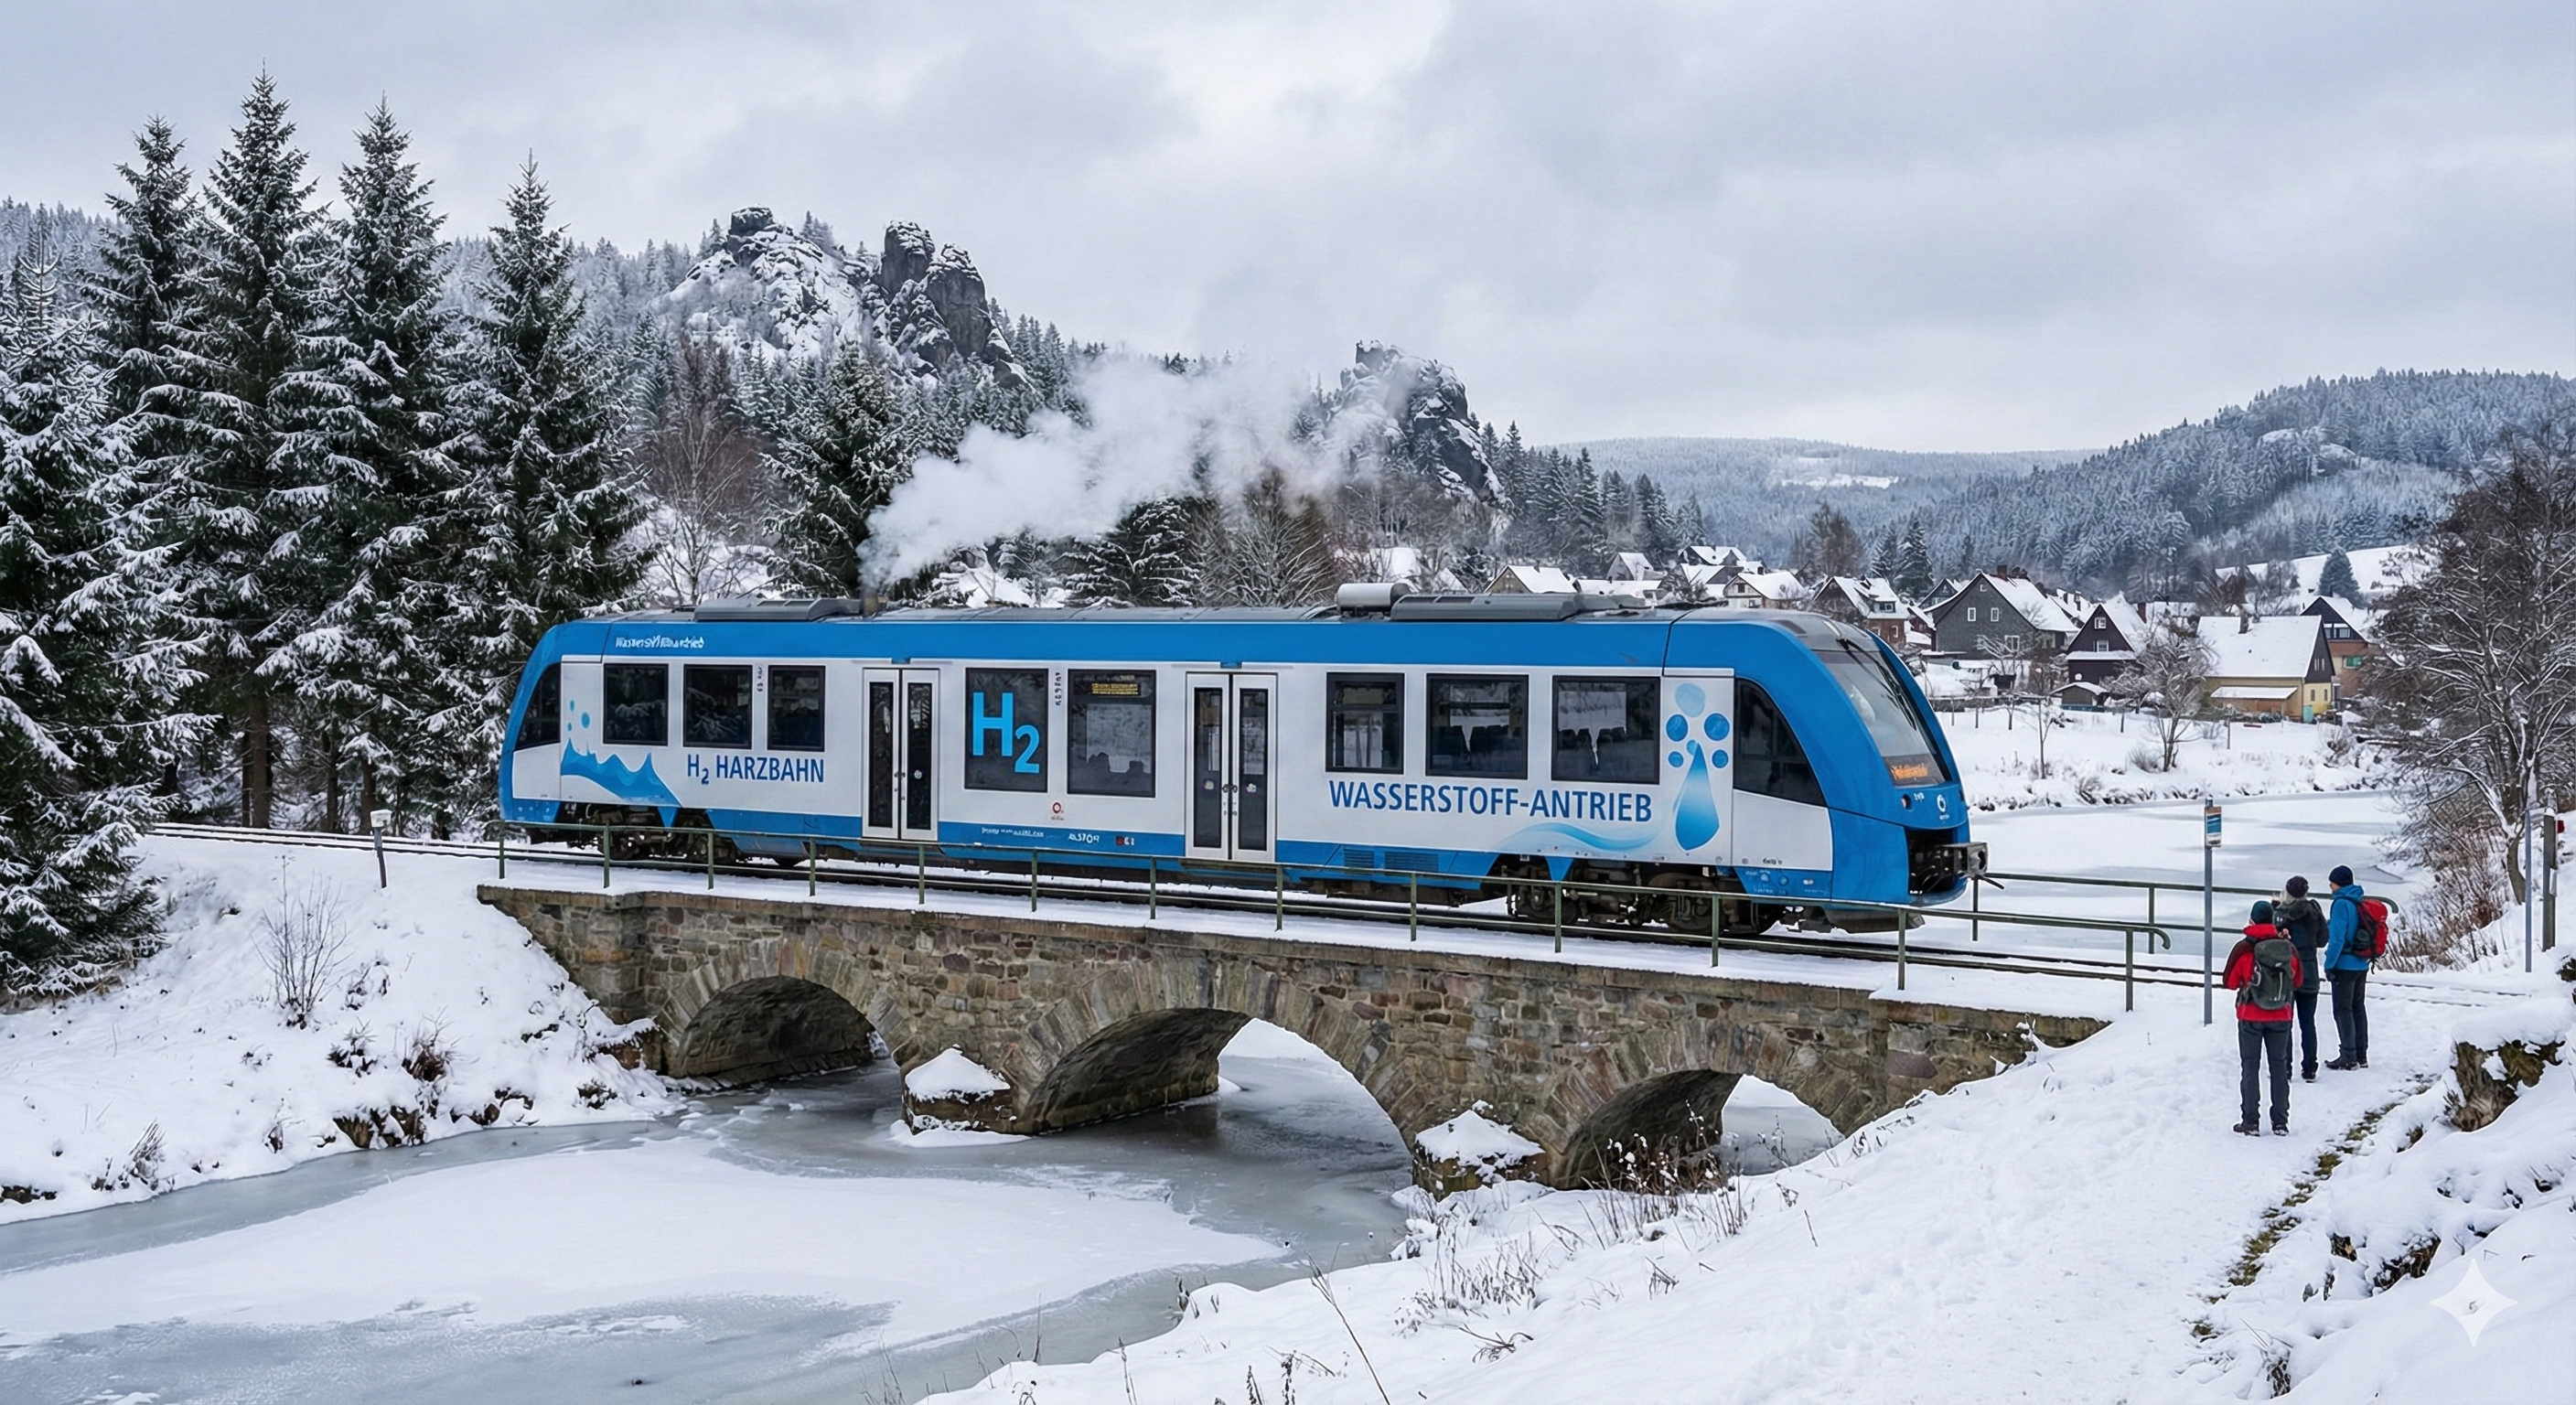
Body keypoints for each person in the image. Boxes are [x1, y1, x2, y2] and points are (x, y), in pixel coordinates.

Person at [2224, 900, 2302, 1135]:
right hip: (2281, 1016)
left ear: (2252, 920)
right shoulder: (2288, 948)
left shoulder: (2243, 948)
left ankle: (2250, 1121)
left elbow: (2228, 982)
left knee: (2250, 1066)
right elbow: (2298, 981)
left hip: (2250, 1016)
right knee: (2279, 1067)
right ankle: (2280, 1121)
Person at [2270, 875, 2328, 1080]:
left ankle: (2285, 1067)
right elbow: (2322, 940)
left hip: (2288, 971)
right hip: (2310, 970)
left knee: (2286, 1020)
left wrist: (2274, 910)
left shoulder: (2280, 913)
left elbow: (2272, 940)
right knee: (2308, 1022)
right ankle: (2310, 1068)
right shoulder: (2314, 911)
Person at [2322, 864, 2372, 1069]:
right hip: (2361, 963)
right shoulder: (2358, 899)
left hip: (2345, 963)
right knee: (2358, 1008)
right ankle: (2361, 1054)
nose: (2330, 886)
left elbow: (2337, 939)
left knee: (2343, 1010)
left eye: (2332, 882)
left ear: (2338, 883)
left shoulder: (2341, 903)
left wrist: (2329, 963)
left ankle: (2348, 1056)